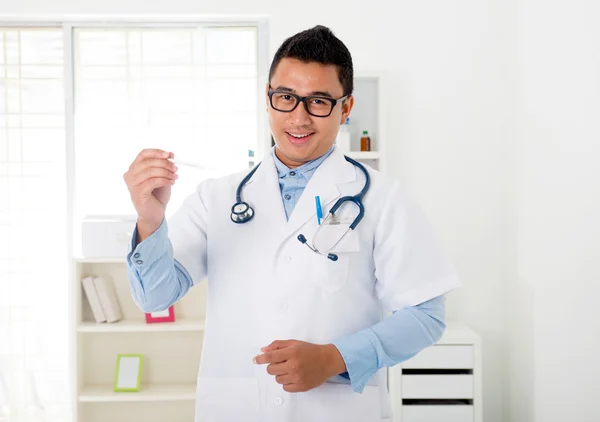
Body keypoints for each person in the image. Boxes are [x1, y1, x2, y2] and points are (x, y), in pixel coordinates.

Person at [123, 25, 461, 422]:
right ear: (268, 99)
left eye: (318, 101)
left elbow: (426, 316)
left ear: (346, 108)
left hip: (336, 410)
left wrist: (334, 358)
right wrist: (149, 218)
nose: (298, 117)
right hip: (238, 408)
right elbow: (154, 297)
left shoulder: (383, 200)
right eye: (285, 97)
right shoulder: (216, 198)